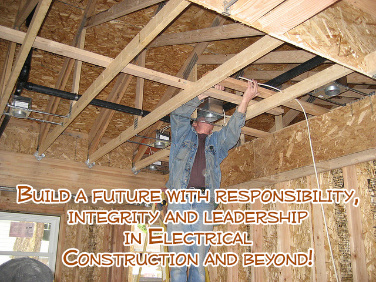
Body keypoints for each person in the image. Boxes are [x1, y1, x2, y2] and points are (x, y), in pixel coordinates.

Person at [166, 79, 259, 282]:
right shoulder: (183, 137)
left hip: (203, 203)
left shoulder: (216, 143)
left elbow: (232, 133)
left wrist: (245, 100)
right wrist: (203, 93)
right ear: (195, 122)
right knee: (178, 263)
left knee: (198, 263)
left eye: (212, 120)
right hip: (179, 200)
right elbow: (177, 115)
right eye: (203, 117)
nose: (209, 120)